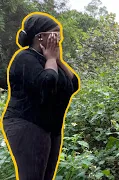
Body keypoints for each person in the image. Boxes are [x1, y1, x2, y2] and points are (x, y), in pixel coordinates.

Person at [1, 12, 80, 180]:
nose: (59, 37)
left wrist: (57, 60)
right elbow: (47, 83)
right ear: (40, 37)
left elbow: (73, 85)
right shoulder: (25, 58)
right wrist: (51, 59)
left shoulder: (49, 61)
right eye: (55, 33)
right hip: (26, 123)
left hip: (50, 127)